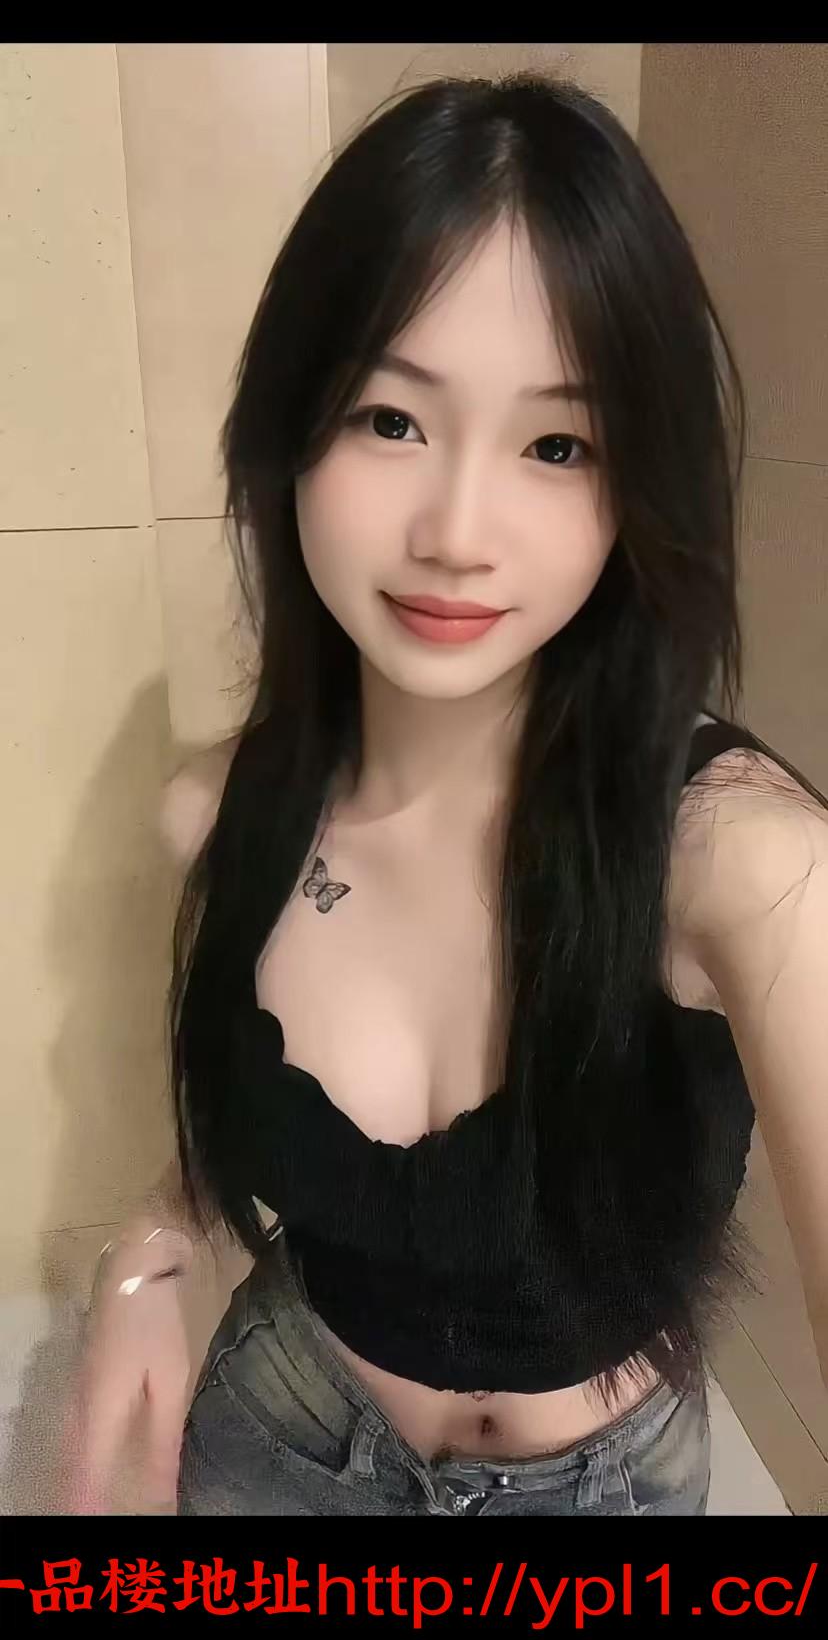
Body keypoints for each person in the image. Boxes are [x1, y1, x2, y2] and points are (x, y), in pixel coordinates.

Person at [65, 73, 828, 1518]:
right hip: (277, 1438)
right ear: (289, 434)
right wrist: (149, 1258)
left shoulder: (739, 858)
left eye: (558, 444)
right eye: (389, 419)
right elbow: (221, 1139)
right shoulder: (217, 815)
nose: (458, 532)